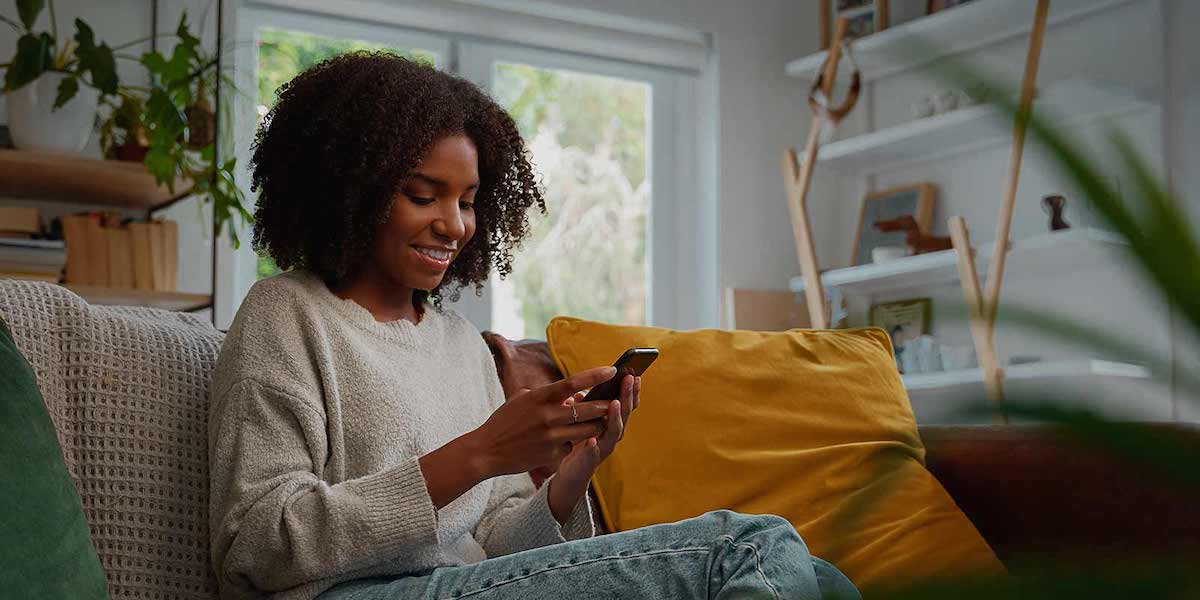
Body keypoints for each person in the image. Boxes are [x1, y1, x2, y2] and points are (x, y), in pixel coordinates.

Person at [208, 51, 860, 600]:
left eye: (468, 202)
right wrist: (478, 453)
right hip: (356, 594)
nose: (454, 225)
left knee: (823, 580)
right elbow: (255, 542)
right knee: (753, 548)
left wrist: (573, 472)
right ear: (351, 186)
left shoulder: (458, 343)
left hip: (463, 586)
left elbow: (495, 543)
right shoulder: (287, 315)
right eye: (423, 195)